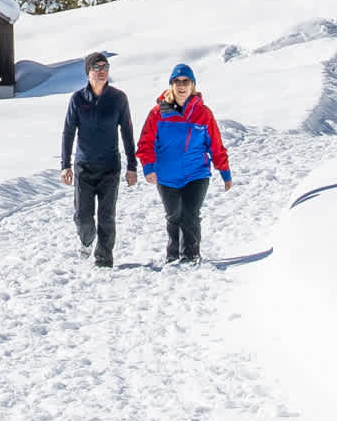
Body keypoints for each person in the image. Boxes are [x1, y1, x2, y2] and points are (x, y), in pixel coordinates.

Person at [136, 66, 227, 266]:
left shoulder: (203, 113)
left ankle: (191, 254)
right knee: (173, 215)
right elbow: (146, 143)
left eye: (186, 81)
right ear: (172, 85)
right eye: (177, 81)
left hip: (196, 173)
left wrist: (224, 170)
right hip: (166, 174)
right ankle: (173, 253)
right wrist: (148, 167)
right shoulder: (158, 113)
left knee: (189, 213)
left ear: (192, 85)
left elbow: (215, 144)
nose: (181, 85)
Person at [61, 56, 135, 267]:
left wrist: (132, 166)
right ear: (88, 72)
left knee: (106, 215)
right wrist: (65, 165)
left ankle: (104, 259)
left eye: (105, 67)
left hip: (110, 166)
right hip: (84, 166)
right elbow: (68, 132)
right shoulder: (78, 99)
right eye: (96, 67)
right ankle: (86, 239)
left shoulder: (118, 98)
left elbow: (127, 132)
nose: (102, 70)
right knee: (83, 216)